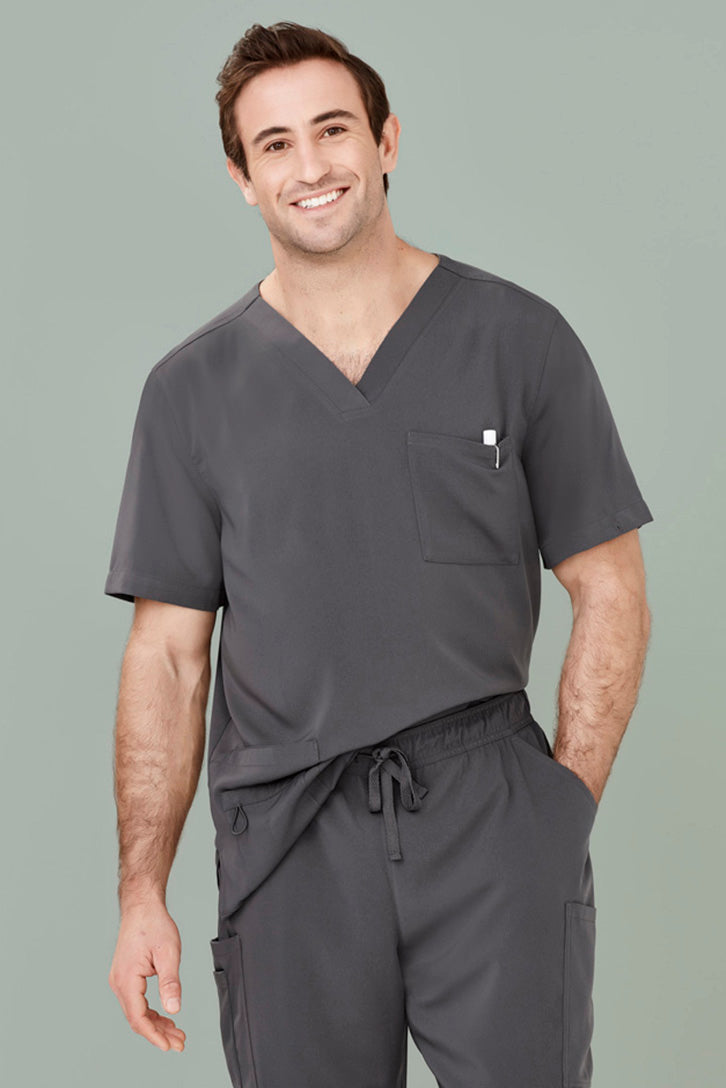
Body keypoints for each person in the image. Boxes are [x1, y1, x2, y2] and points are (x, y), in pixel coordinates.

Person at [104, 20, 654, 1088]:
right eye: (274, 145)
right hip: (287, 840)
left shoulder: (519, 340)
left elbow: (611, 586)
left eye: (333, 129)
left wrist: (561, 810)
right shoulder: (189, 393)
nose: (310, 165)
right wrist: (140, 894)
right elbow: (166, 657)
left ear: (386, 138)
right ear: (242, 177)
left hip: (489, 815)